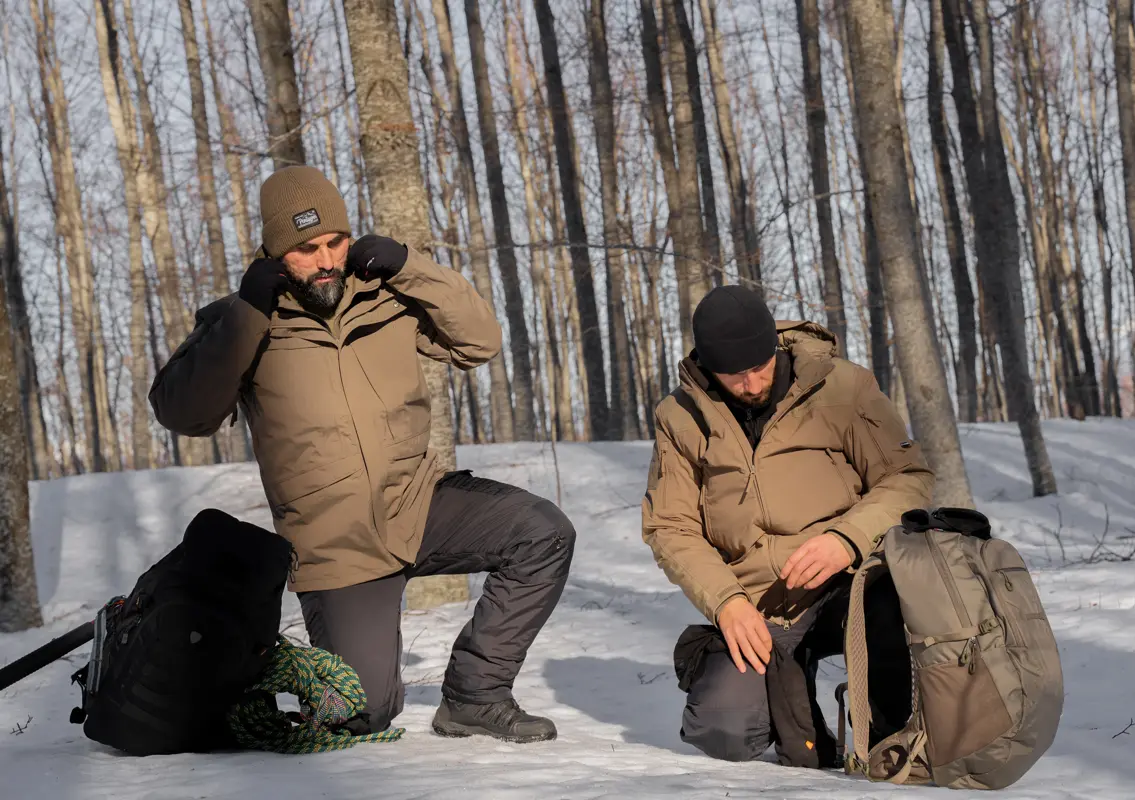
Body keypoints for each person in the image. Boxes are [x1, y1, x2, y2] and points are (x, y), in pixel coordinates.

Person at [149, 165, 573, 743]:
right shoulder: (243, 320)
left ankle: (475, 695)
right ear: (274, 255)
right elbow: (184, 413)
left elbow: (481, 341)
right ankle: (248, 675)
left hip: (417, 504)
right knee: (364, 712)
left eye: (335, 242)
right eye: (306, 248)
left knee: (542, 532)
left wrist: (411, 264)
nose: (326, 260)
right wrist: (246, 317)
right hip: (335, 543)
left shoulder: (389, 297)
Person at [641, 284, 934, 766]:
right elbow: (670, 527)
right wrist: (725, 601)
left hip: (849, 582)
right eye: (735, 376)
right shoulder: (678, 416)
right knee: (722, 732)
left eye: (760, 367)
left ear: (774, 347)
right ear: (709, 367)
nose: (752, 385)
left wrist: (847, 539)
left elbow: (906, 478)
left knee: (890, 603)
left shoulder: (842, 387)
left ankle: (889, 735)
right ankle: (795, 721)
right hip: (756, 602)